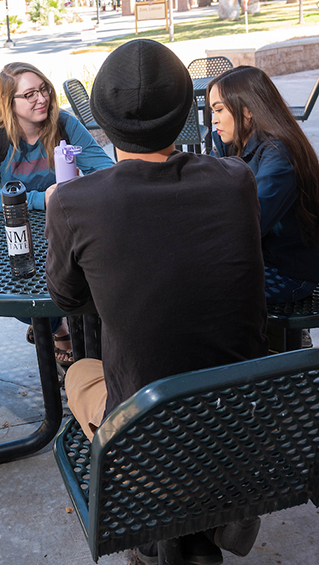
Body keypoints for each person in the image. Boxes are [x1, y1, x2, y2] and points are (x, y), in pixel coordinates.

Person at [45, 40, 268, 565]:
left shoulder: (76, 200)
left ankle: (158, 536)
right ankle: (201, 523)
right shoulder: (237, 179)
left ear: (102, 121)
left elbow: (67, 297)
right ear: (182, 115)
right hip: (238, 418)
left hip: (149, 429)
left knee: (81, 370)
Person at [0, 61, 114, 367]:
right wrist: (39, 198)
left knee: (89, 278)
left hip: (63, 226)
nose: (42, 99)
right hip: (14, 230)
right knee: (22, 297)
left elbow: (104, 168)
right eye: (30, 94)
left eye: (44, 89)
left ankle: (86, 344)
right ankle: (55, 329)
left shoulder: (63, 124)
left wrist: (73, 189)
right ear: (10, 102)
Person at [207, 66, 319, 348]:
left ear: (247, 110)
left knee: (200, 289)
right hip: (256, 257)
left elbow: (249, 223)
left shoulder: (280, 155)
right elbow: (204, 194)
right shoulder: (229, 145)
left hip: (289, 272)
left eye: (219, 110)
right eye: (212, 111)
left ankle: (255, 370)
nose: (214, 120)